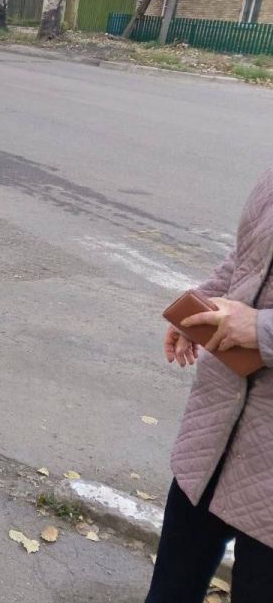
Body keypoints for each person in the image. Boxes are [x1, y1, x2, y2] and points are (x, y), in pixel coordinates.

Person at [147, 165, 273, 601]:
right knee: (169, 591)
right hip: (213, 435)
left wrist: (260, 329)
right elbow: (246, 260)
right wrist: (198, 310)